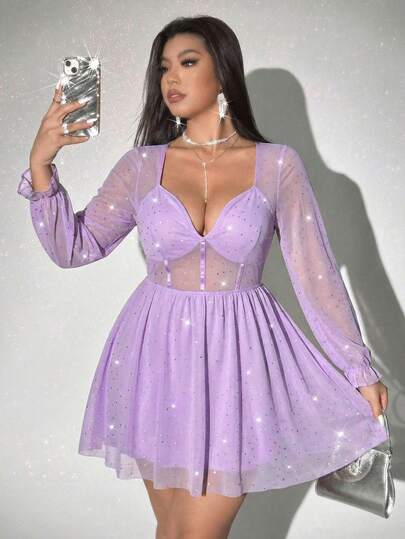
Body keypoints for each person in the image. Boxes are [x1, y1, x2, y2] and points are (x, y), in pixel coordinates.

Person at [18, 14, 389, 539]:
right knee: (173, 531)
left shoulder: (277, 165)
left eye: (188, 62)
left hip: (239, 361)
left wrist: (358, 368)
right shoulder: (141, 166)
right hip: (155, 357)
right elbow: (74, 247)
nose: (171, 78)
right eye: (163, 67)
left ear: (223, 72)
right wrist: (41, 165)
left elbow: (316, 273)